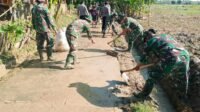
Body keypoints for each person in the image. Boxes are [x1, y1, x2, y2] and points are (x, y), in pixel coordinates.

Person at [131, 30, 190, 99]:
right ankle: (183, 96)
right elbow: (166, 49)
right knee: (183, 77)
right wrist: (160, 60)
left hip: (172, 58)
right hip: (185, 55)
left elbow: (144, 58)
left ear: (146, 38)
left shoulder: (150, 41)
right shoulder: (164, 35)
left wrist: (138, 66)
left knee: (152, 75)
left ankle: (143, 95)